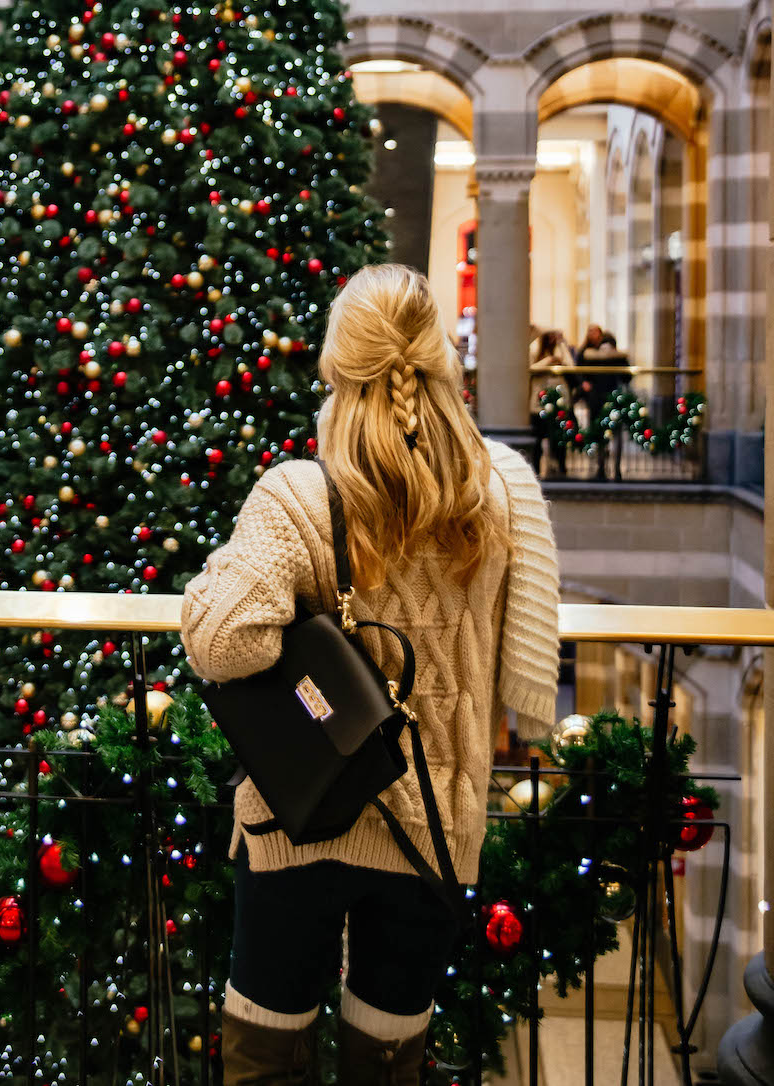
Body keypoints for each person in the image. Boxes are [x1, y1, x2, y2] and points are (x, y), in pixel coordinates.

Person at [182, 264, 560, 1084]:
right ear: (438, 363)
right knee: (389, 1064)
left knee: (266, 1057)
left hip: (300, 826)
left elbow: (223, 643)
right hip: (436, 826)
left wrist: (216, 581)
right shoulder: (497, 495)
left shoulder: (298, 497)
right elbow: (512, 665)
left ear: (336, 372)